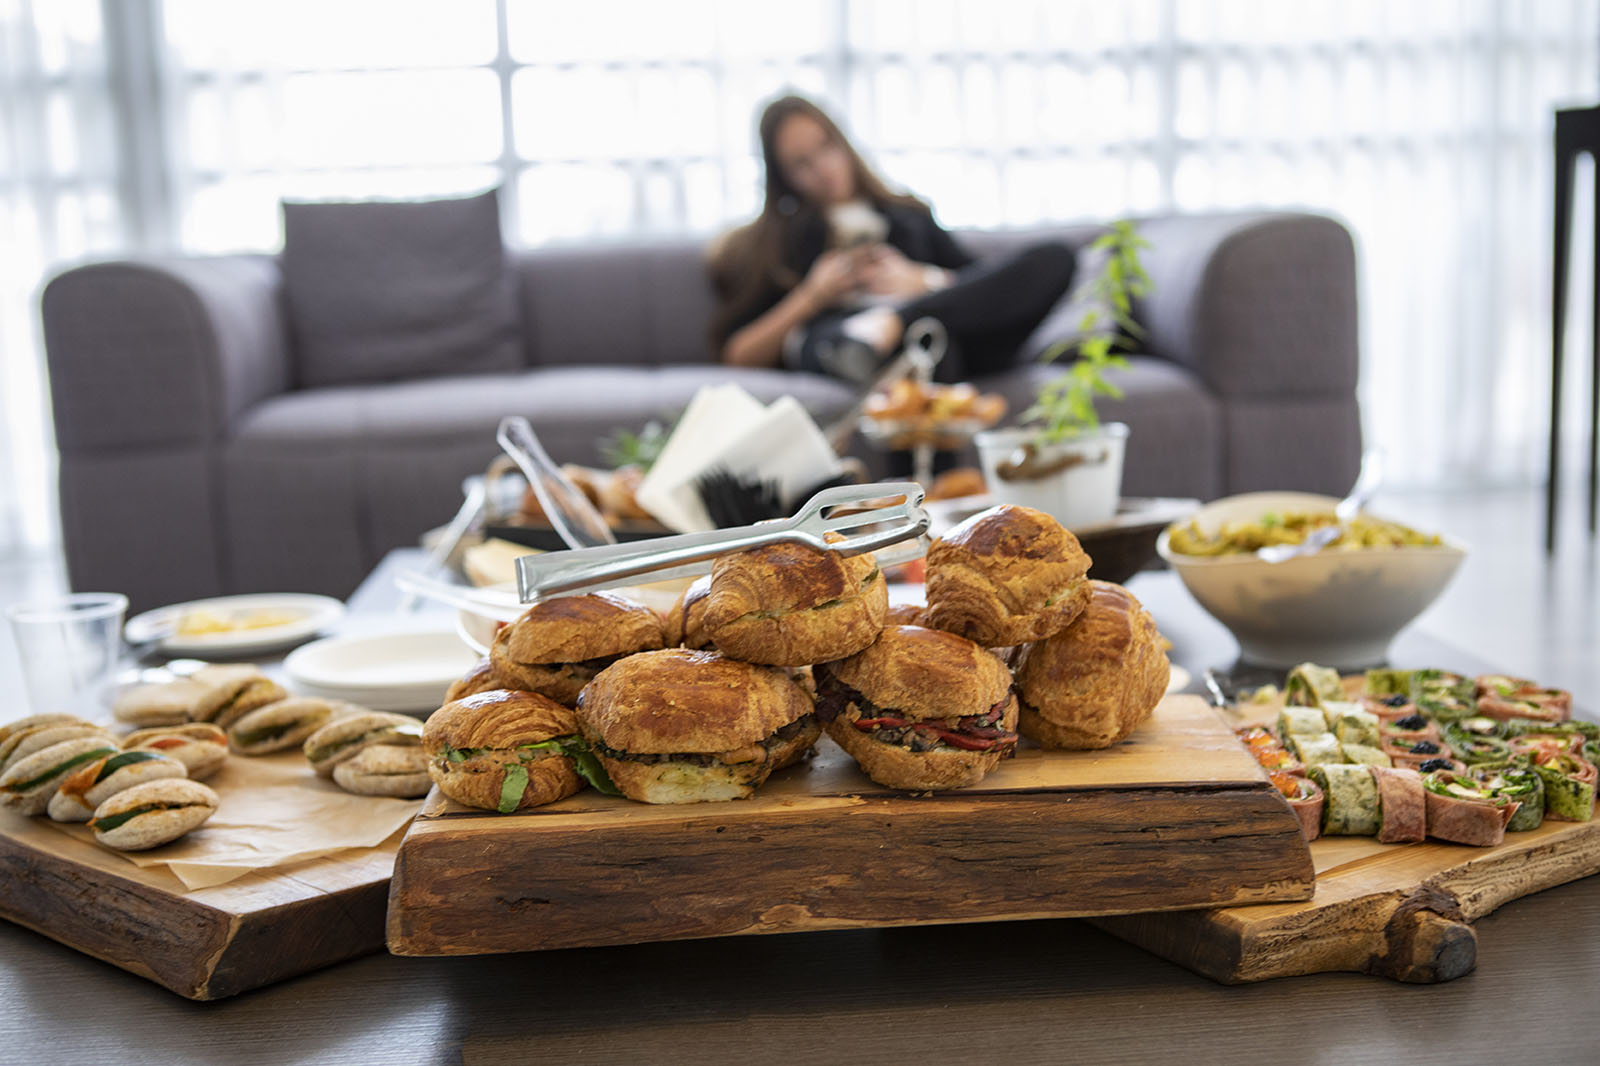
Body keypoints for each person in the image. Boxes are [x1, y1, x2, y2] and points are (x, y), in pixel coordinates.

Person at [707, 94, 1078, 385]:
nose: (823, 168)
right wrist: (812, 296)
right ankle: (891, 332)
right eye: (801, 163)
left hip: (952, 329)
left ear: (843, 143)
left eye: (826, 147)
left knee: (1055, 258)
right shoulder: (783, 244)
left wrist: (925, 281)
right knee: (926, 349)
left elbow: (985, 287)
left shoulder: (908, 215)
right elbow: (739, 354)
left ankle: (896, 321)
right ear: (782, 177)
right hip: (867, 344)